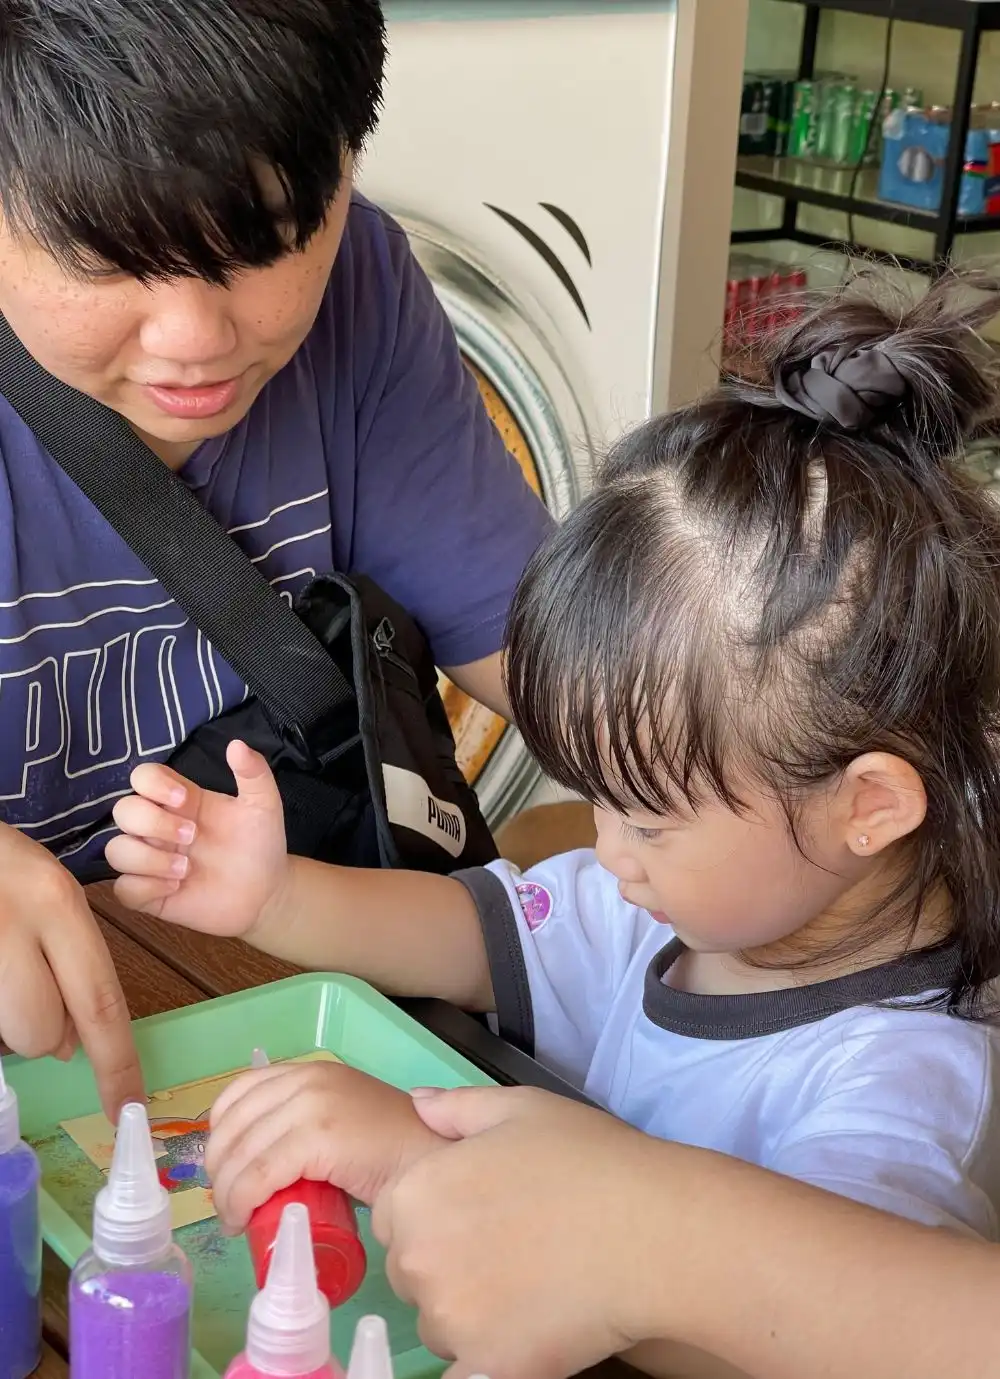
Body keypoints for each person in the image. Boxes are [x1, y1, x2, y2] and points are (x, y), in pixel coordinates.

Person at [112, 271, 1000, 1374]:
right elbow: (467, 929)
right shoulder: (686, 914)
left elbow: (780, 1334)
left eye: (648, 816)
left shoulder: (908, 1091)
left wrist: (416, 1159)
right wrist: (276, 894)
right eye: (599, 796)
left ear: (866, 804)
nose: (602, 845)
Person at [0, 0, 564, 1119]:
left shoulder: (363, 286)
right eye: (108, 255)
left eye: (262, 240)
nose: (196, 340)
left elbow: (560, 670)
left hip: (275, 1035)